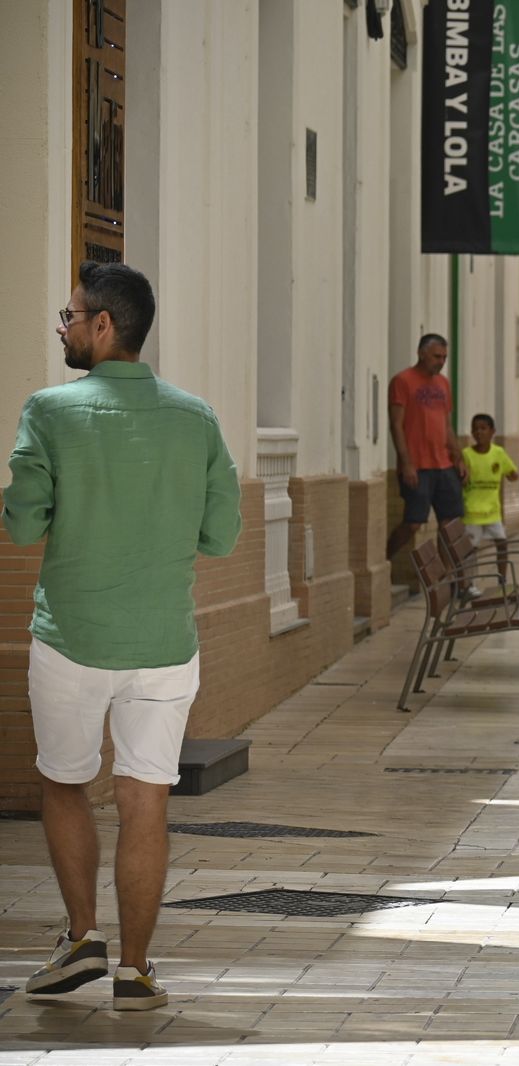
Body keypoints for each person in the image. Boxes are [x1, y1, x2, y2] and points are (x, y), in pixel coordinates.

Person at [6, 262, 242, 1011]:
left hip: (72, 638)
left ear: (104, 325)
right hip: (165, 647)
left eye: (71, 315)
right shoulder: (196, 417)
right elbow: (223, 535)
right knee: (147, 802)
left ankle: (82, 938)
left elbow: (21, 523)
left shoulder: (49, 411)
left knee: (64, 782)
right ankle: (136, 970)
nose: (65, 327)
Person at [386, 334, 467, 561]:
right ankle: (385, 559)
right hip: (418, 467)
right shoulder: (402, 381)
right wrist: (406, 462)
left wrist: (458, 456)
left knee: (450, 525)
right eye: (436, 357)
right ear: (421, 353)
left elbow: (446, 425)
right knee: (413, 523)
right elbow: (396, 425)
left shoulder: (443, 384)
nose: (441, 362)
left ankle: (452, 579)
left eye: (444, 357)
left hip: (443, 464)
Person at [462, 413, 519, 584]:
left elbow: (513, 473)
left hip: (493, 511)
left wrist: (513, 474)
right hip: (472, 511)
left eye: (483, 428)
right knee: (471, 550)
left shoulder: (498, 453)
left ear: (492, 431)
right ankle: (469, 583)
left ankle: (502, 578)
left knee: (502, 543)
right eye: (475, 429)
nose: (479, 432)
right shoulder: (466, 454)